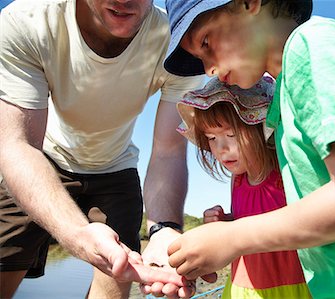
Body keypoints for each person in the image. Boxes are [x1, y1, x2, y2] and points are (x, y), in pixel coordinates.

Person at [159, 0, 335, 298]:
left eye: (206, 42)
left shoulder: (314, 44)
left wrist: (232, 238)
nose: (210, 69)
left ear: (250, 3)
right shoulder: (284, 102)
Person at [0, 0, 205, 298]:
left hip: (116, 170)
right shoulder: (27, 21)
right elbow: (16, 145)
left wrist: (163, 230)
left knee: (117, 280)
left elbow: (168, 151)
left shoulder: (180, 41)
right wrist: (78, 235)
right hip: (41, 163)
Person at [175, 76, 311, 298]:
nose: (221, 148)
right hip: (242, 287)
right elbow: (245, 223)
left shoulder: (284, 171)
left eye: (231, 134)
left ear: (260, 125)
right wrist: (224, 223)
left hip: (292, 286)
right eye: (211, 138)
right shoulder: (237, 179)